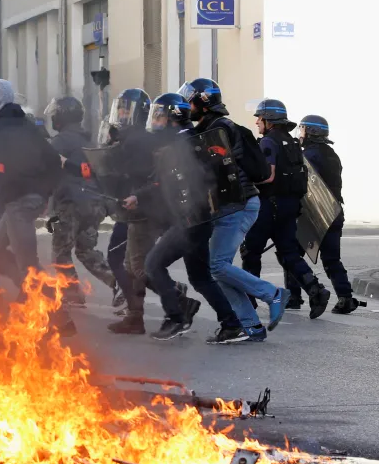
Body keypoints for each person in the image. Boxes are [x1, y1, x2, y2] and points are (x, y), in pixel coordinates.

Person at [180, 79, 284, 343]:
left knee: (217, 264)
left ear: (203, 104)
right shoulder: (210, 128)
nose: (187, 107)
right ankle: (251, 326)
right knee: (219, 268)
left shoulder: (220, 130)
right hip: (228, 205)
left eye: (190, 101)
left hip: (238, 203)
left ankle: (273, 294)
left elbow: (216, 168)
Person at [138, 93, 244, 340]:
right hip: (198, 219)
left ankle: (176, 318)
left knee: (153, 264)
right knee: (200, 277)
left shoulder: (181, 145)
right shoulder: (189, 140)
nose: (156, 121)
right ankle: (231, 324)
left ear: (172, 117)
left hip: (189, 220)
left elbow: (180, 182)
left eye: (159, 115)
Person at [0, 79, 75, 336]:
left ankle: (61, 318)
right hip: (27, 200)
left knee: (29, 266)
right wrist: (44, 195)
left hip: (18, 202)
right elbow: (54, 162)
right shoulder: (28, 126)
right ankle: (27, 292)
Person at [241, 99, 331, 319]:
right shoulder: (291, 143)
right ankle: (316, 290)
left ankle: (248, 299)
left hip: (268, 205)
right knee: (289, 252)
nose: (256, 122)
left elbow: (268, 175)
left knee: (250, 252)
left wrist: (245, 180)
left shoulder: (268, 143)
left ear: (268, 120)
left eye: (259, 118)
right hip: (290, 206)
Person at [44, 96, 118, 307]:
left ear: (60, 117)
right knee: (87, 251)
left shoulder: (59, 142)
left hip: (71, 203)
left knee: (61, 250)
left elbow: (47, 172)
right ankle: (119, 283)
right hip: (95, 203)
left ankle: (72, 293)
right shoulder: (87, 140)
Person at [105, 88, 161, 335]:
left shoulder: (141, 141)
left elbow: (148, 177)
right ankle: (134, 315)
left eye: (126, 109)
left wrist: (137, 195)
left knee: (133, 263)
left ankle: (176, 297)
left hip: (141, 209)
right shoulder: (128, 139)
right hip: (131, 208)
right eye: (120, 108)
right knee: (129, 262)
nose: (121, 113)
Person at [287, 115, 355, 313]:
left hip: (313, 213)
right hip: (333, 211)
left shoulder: (309, 155)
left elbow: (305, 184)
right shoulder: (331, 154)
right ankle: (345, 298)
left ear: (311, 132)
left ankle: (294, 296)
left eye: (303, 130)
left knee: (292, 255)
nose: (300, 134)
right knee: (332, 259)